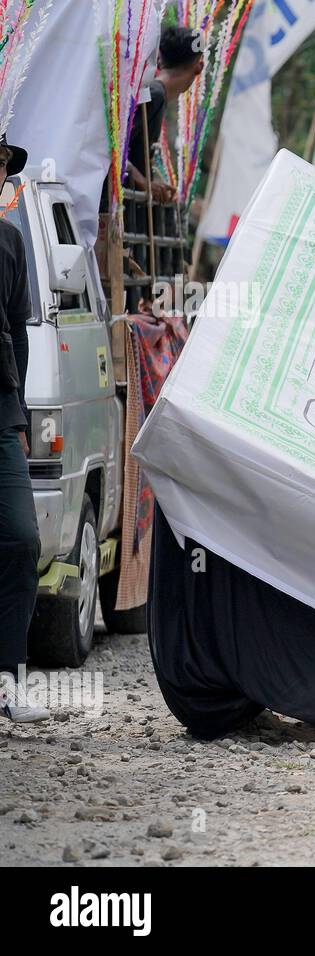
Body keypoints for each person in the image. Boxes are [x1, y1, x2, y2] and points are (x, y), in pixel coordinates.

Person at [0, 132, 48, 722]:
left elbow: (16, 334)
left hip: (0, 413)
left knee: (20, 540)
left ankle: (8, 682)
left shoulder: (9, 241)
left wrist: (19, 419)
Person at [126, 26, 205, 204]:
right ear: (199, 66)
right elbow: (111, 146)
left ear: (160, 58)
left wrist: (153, 184)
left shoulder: (155, 94)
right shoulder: (154, 95)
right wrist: (144, 182)